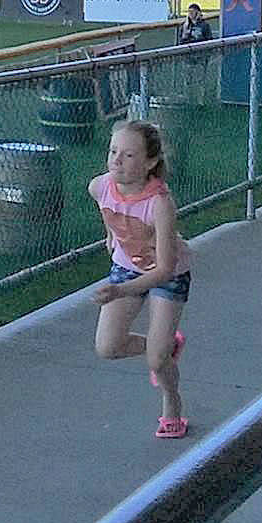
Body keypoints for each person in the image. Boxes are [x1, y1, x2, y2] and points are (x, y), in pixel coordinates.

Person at [89, 120, 195, 438]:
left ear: (150, 162)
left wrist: (119, 289)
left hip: (167, 274)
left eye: (129, 155)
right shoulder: (99, 185)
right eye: (113, 151)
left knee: (157, 360)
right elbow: (105, 206)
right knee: (107, 347)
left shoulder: (159, 204)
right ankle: (163, 347)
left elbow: (163, 269)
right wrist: (111, 234)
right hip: (127, 266)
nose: (117, 160)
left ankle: (172, 403)